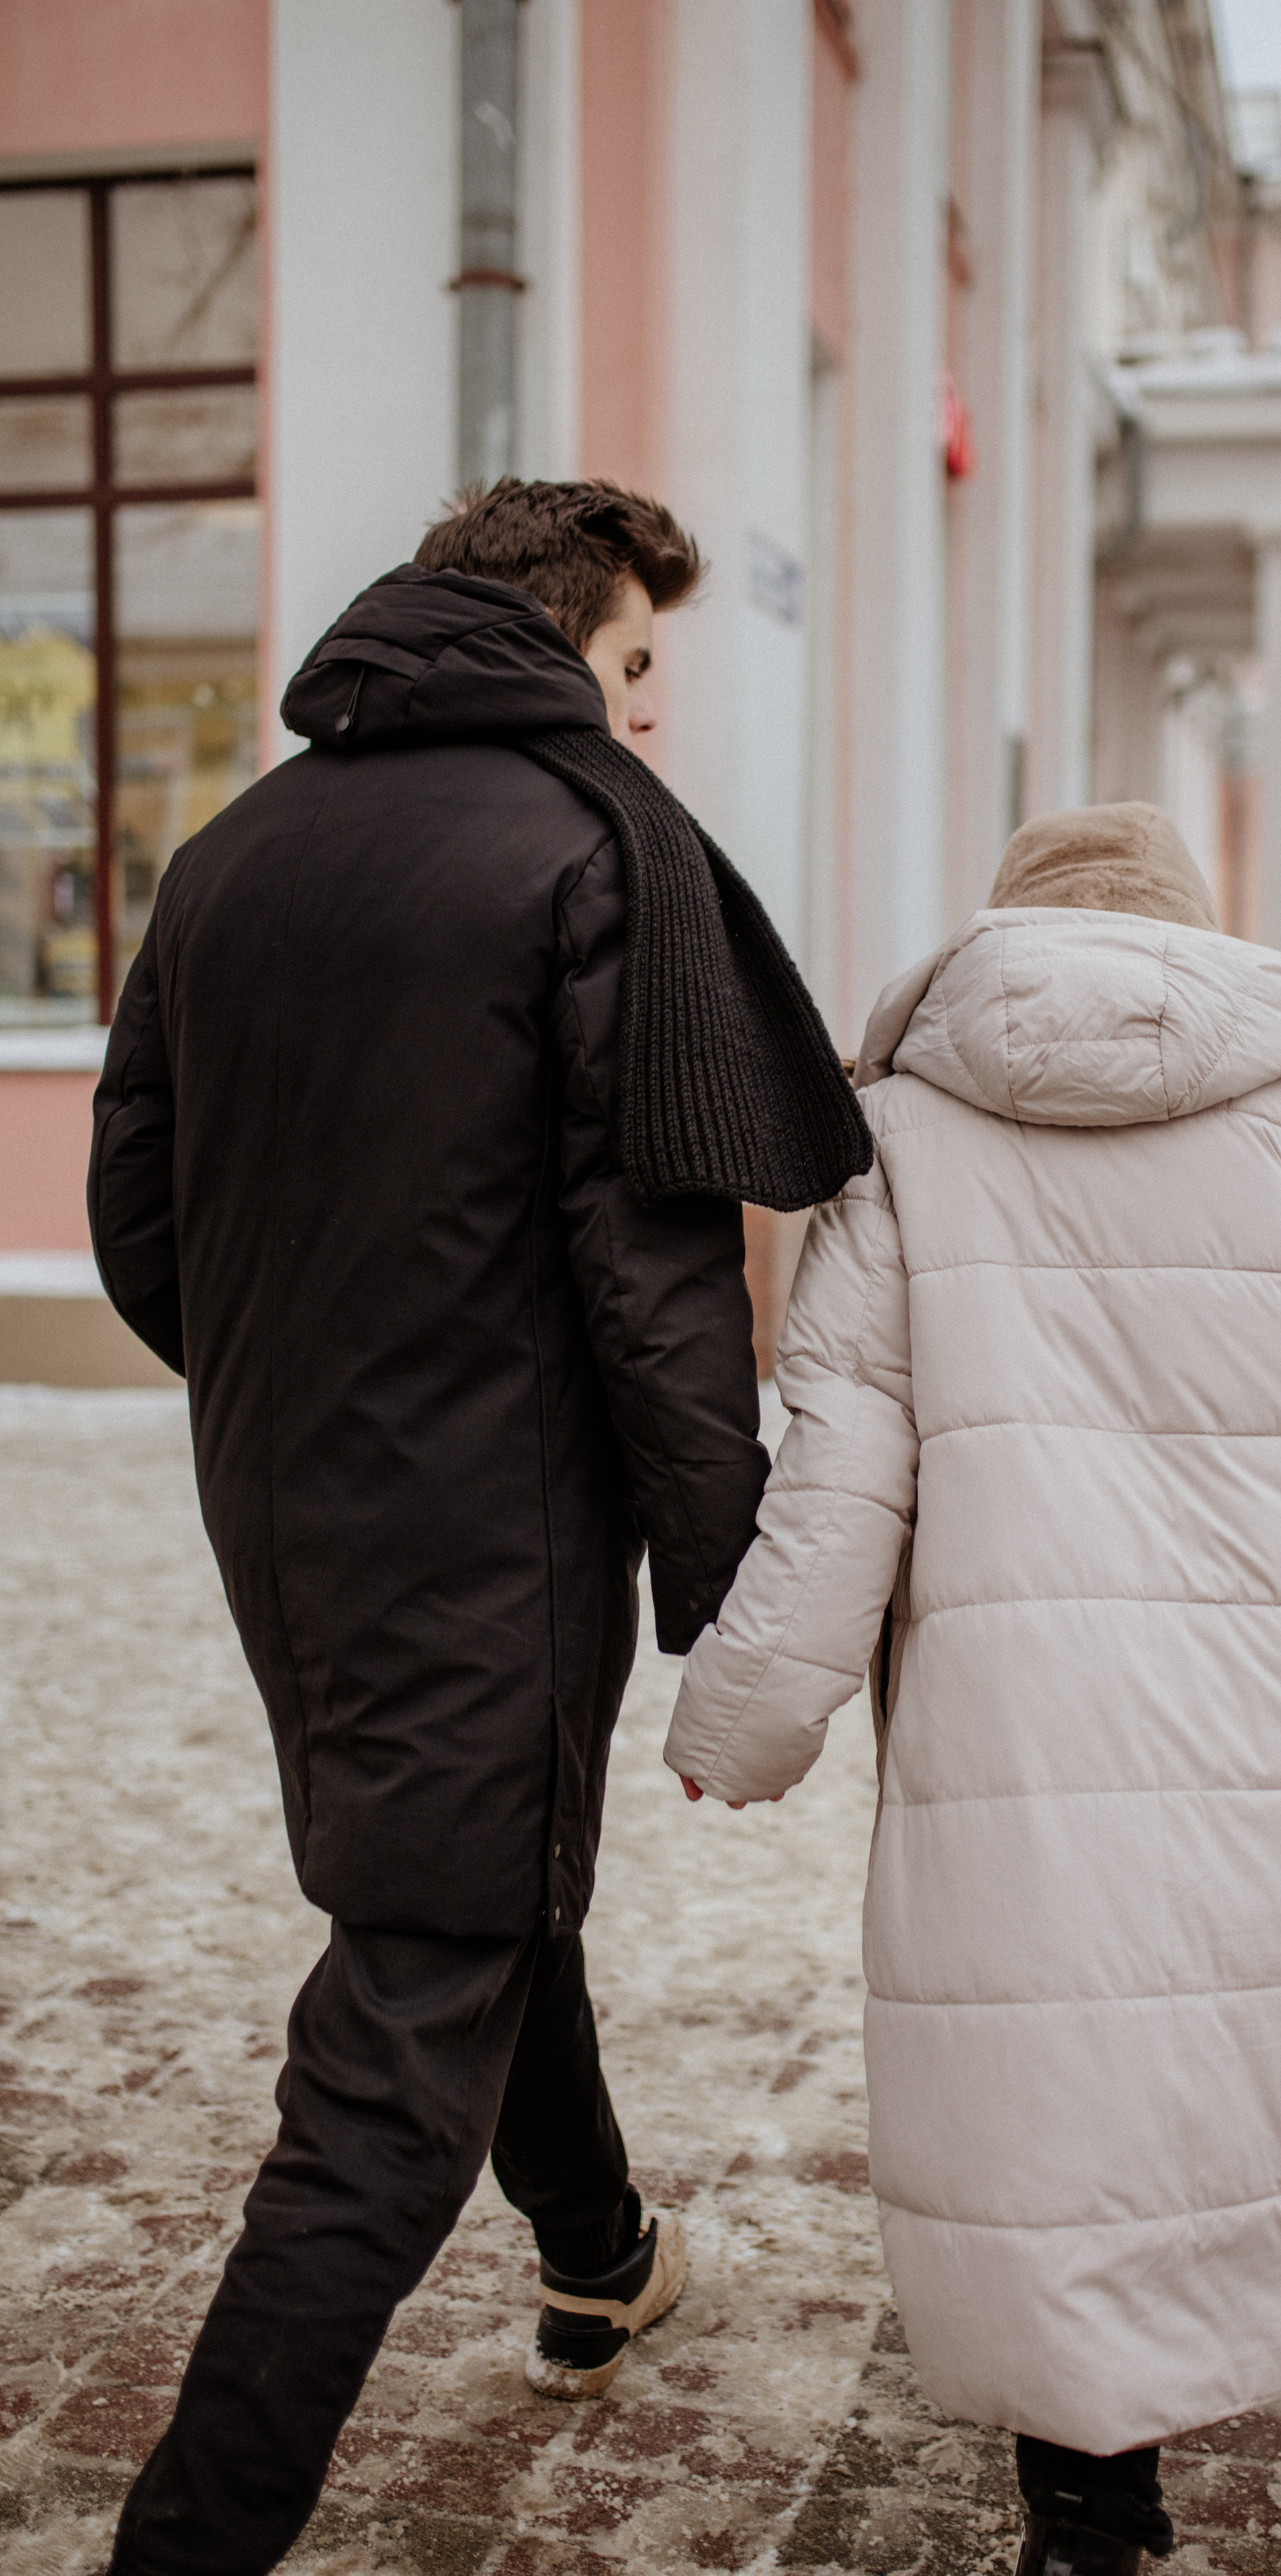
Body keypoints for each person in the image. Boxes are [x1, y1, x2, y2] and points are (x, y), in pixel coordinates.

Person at [665, 804, 1281, 2576]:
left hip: (1023, 1701)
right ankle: (1235, 2317)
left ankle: (1089, 2493)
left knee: (1072, 2057)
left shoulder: (898, 1132)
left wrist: (750, 1712)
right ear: (1195, 937)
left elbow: (843, 1466)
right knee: (1258, 2012)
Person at [87, 478, 870, 2576]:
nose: (646, 724)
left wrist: (305, 1390)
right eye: (636, 671)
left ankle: (600, 2253)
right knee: (402, 2025)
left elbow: (139, 1230)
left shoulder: (231, 853)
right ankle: (193, 2535)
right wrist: (737, 1570)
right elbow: (652, 1263)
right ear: (558, 638)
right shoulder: (588, 848)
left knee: (473, 1880)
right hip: (494, 1523)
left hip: (288, 1503)